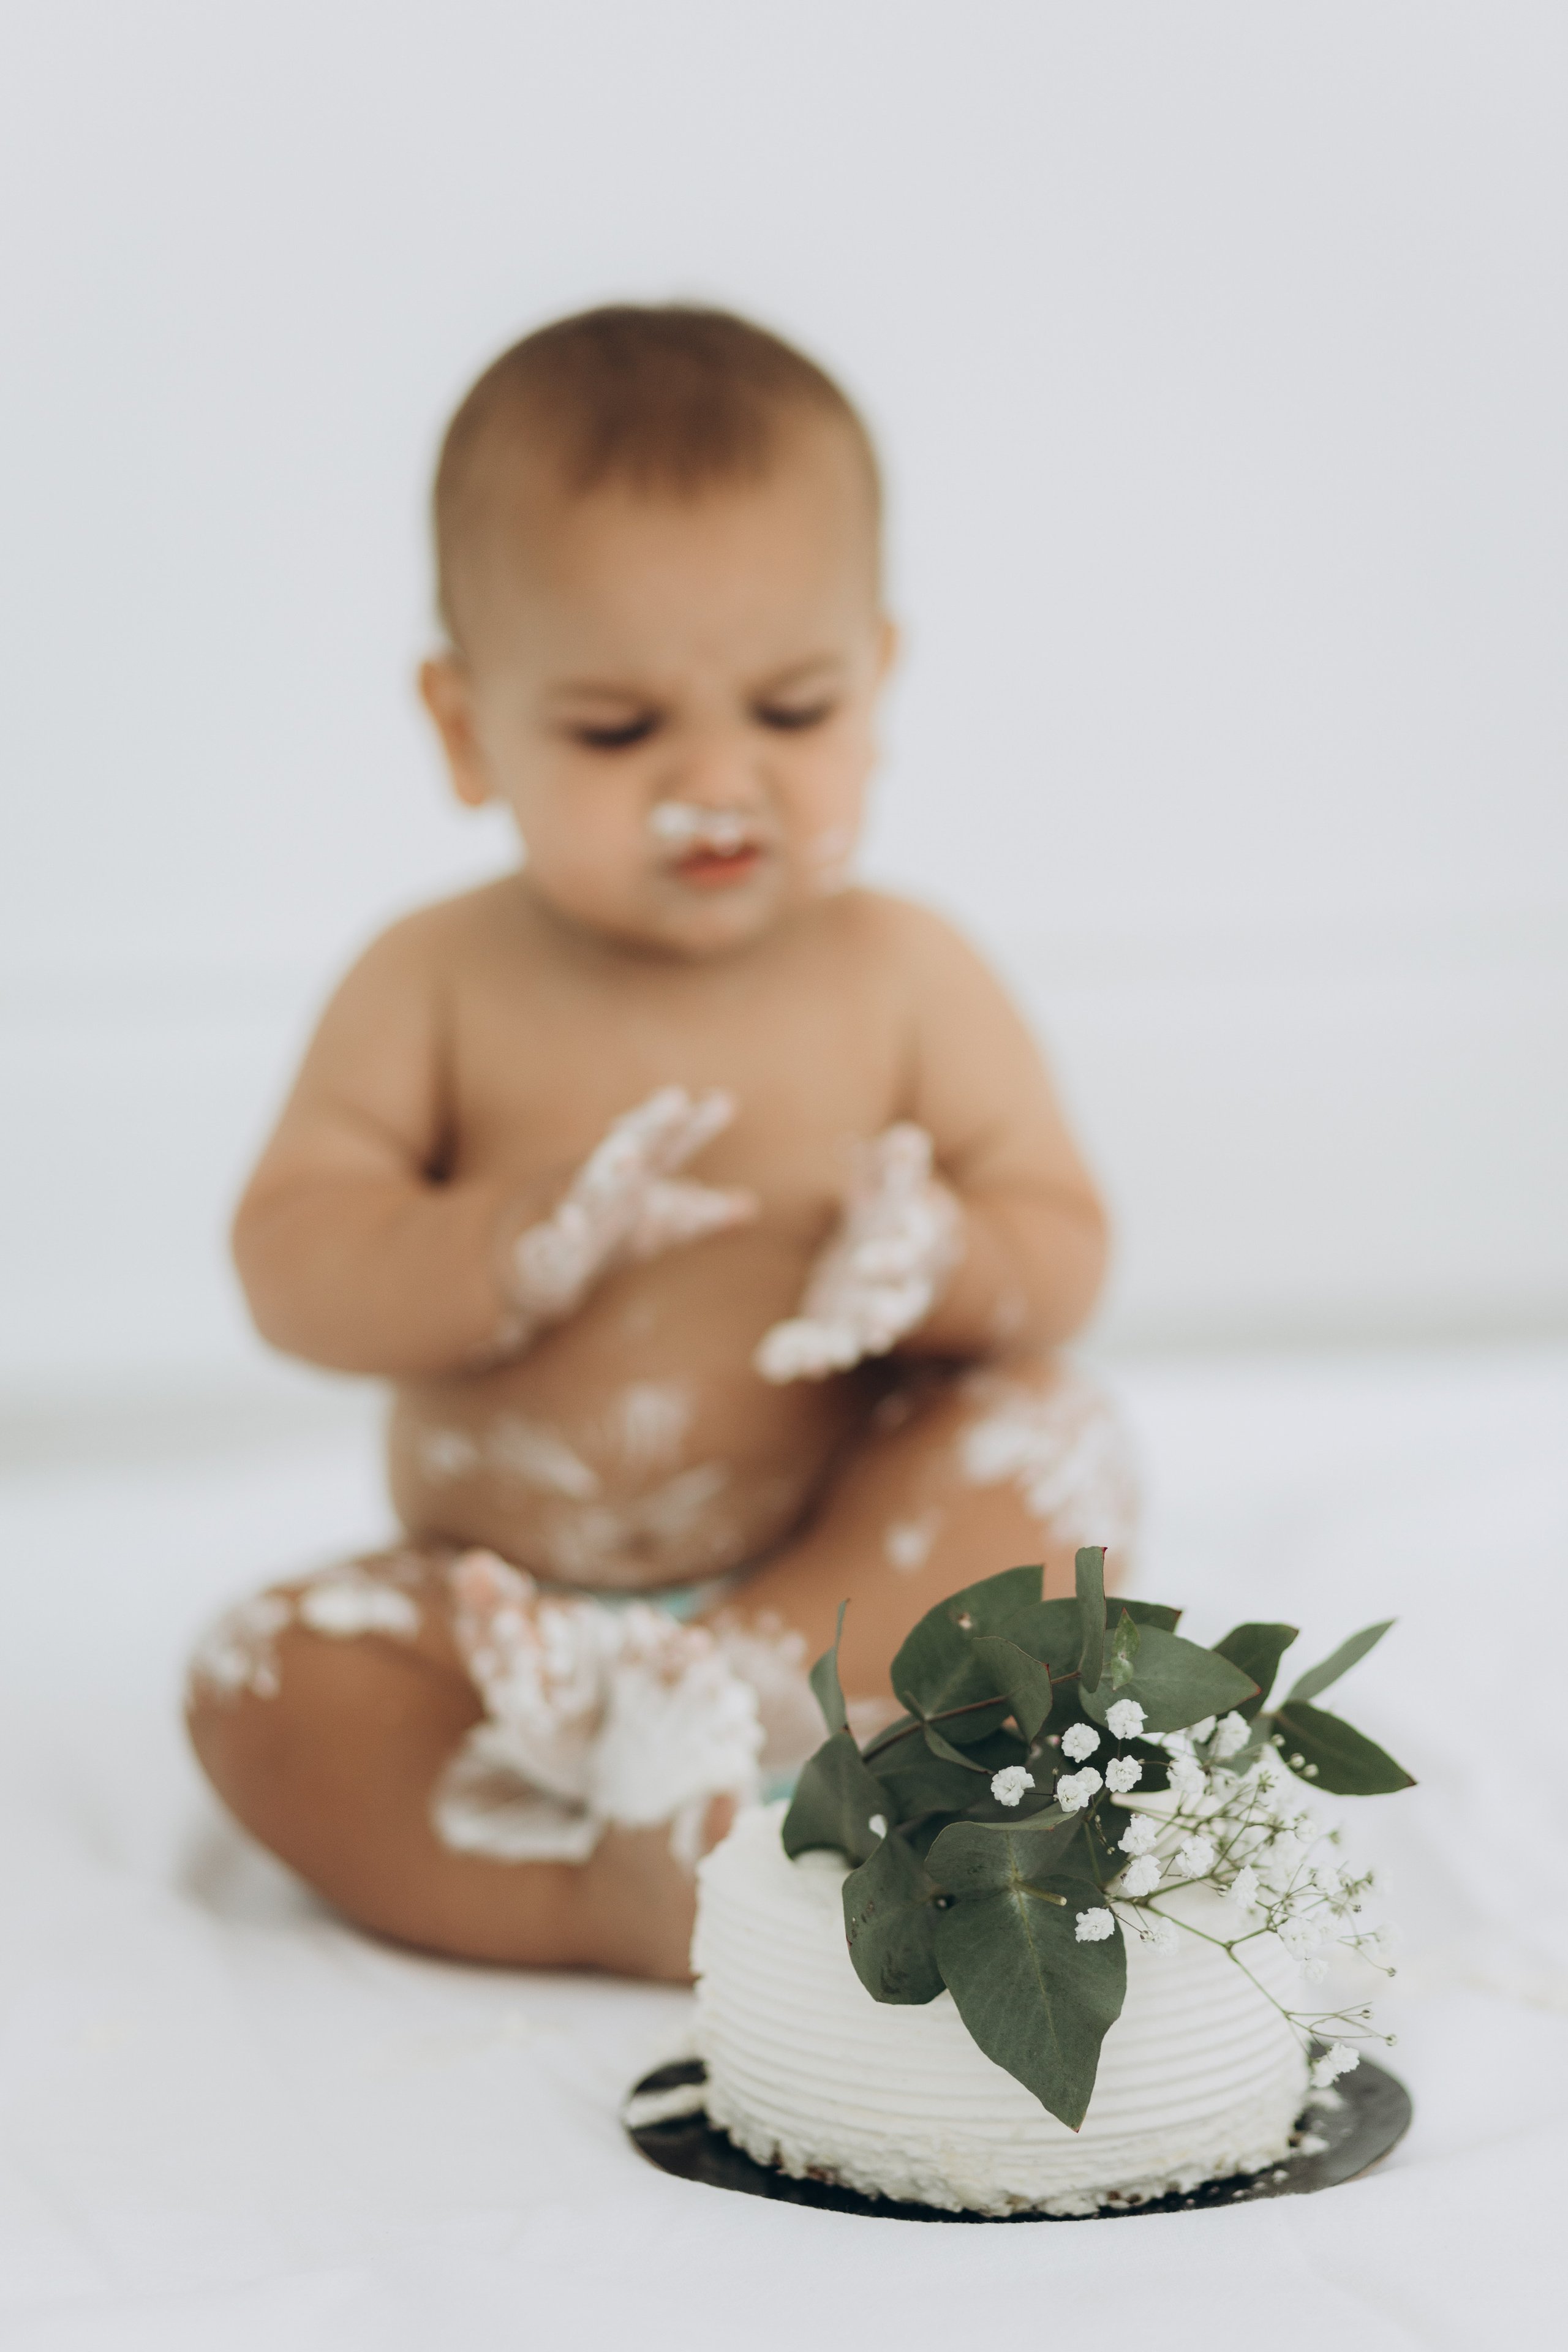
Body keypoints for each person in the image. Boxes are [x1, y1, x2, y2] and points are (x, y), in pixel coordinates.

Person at [187, 304, 1136, 1981]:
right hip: (508, 1618)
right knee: (264, 1683)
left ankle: (751, 1705)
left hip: (824, 1564)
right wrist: (501, 1248)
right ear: (466, 725)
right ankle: (593, 1889)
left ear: (881, 681)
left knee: (1055, 1454)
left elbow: (1059, 1248)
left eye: (790, 708)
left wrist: (945, 1263)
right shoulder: (432, 983)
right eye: (618, 732)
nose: (718, 780)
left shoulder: (909, 973)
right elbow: (291, 1265)